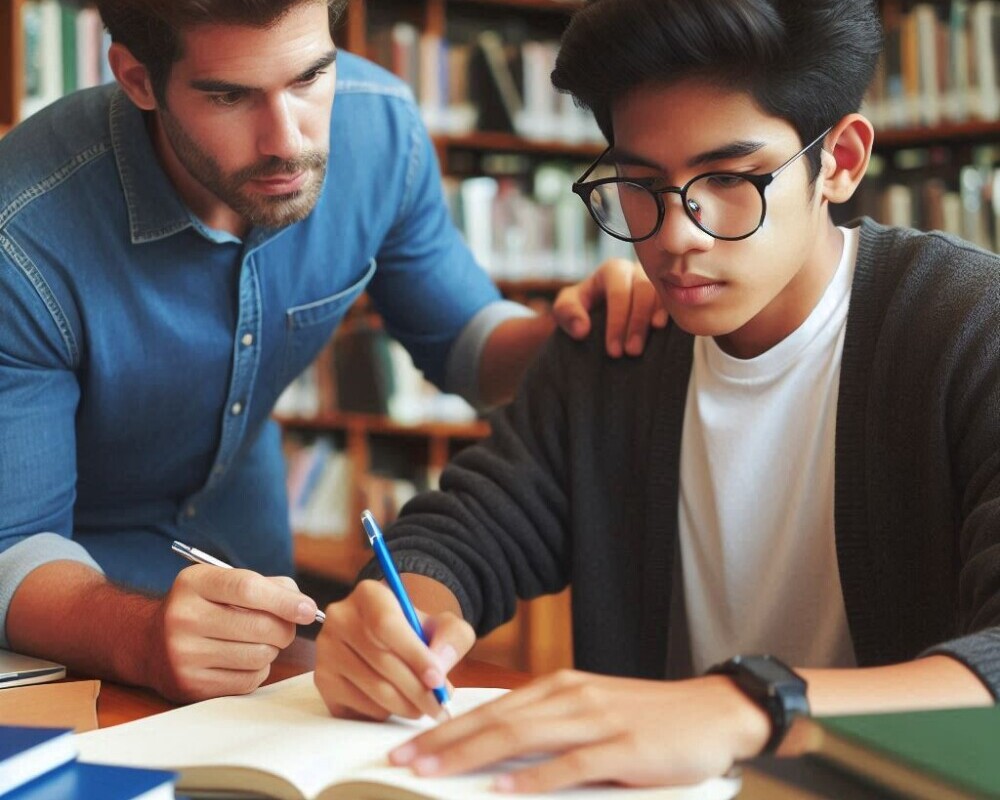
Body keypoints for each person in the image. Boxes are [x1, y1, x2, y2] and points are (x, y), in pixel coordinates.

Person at [314, 0, 1000, 792]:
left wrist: (745, 707)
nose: (677, 234)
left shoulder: (967, 330)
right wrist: (398, 620)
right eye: (640, 185)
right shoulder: (619, 348)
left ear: (839, 160)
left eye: (731, 179)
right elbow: (463, 537)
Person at [0, 0, 665, 704]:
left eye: (312, 76)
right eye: (229, 95)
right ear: (137, 79)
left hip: (250, 558)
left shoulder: (379, 131)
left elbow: (469, 343)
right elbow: (15, 549)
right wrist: (139, 634)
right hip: (68, 610)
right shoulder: (23, 233)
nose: (286, 140)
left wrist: (577, 329)